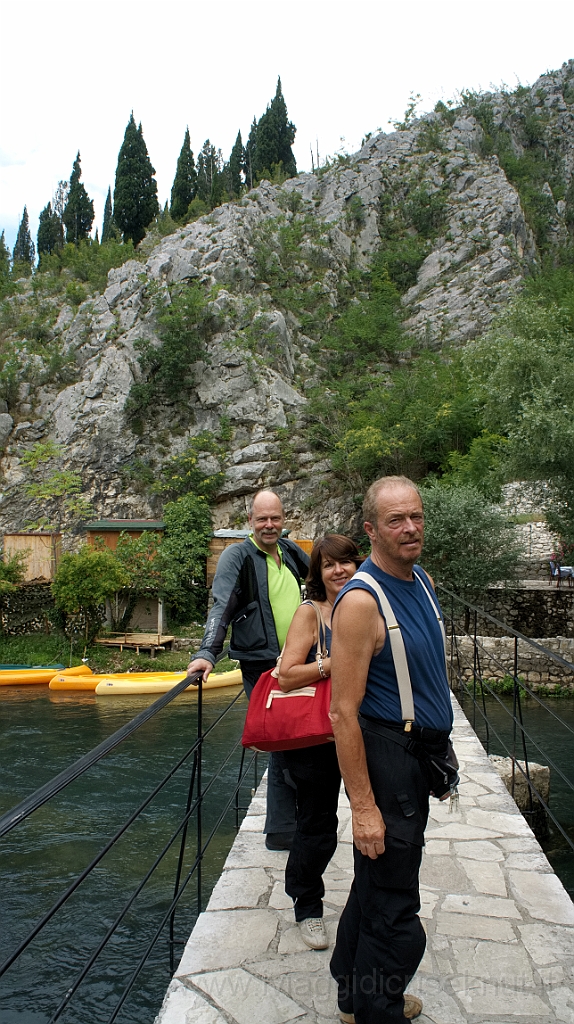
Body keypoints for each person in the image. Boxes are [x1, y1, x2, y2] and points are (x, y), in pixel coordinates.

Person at [329, 476, 454, 1024]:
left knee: (375, 881)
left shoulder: (420, 578)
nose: (410, 528)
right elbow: (342, 712)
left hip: (417, 753)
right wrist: (362, 808)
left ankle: (351, 992)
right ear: (371, 529)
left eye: (416, 517)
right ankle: (379, 1010)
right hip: (388, 757)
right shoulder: (361, 602)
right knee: (396, 902)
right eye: (396, 520)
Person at [187, 490, 309, 851]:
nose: (269, 525)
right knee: (282, 741)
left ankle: (290, 825)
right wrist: (208, 652)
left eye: (275, 518)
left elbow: (323, 577)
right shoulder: (236, 557)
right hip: (261, 666)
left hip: (298, 662)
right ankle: (283, 830)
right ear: (250, 520)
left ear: (283, 518)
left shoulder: (289, 552)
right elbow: (222, 605)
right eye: (262, 519)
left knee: (298, 740)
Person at [277, 535, 362, 950]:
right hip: (317, 738)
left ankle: (370, 907)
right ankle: (306, 905)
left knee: (377, 821)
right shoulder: (310, 613)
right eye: (329, 565)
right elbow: (287, 674)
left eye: (345, 562)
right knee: (318, 826)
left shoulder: (370, 605)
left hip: (366, 730)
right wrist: (330, 662)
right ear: (318, 574)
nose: (339, 571)